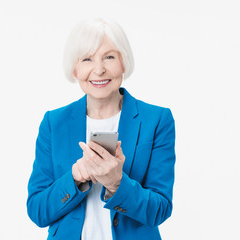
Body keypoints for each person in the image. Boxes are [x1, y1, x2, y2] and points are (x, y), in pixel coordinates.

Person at [27, 17, 176, 240]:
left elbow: (160, 209)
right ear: (75, 69)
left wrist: (117, 182)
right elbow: (37, 211)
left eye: (109, 57)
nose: (99, 69)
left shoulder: (156, 120)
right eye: (87, 59)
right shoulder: (54, 123)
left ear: (123, 62)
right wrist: (75, 178)